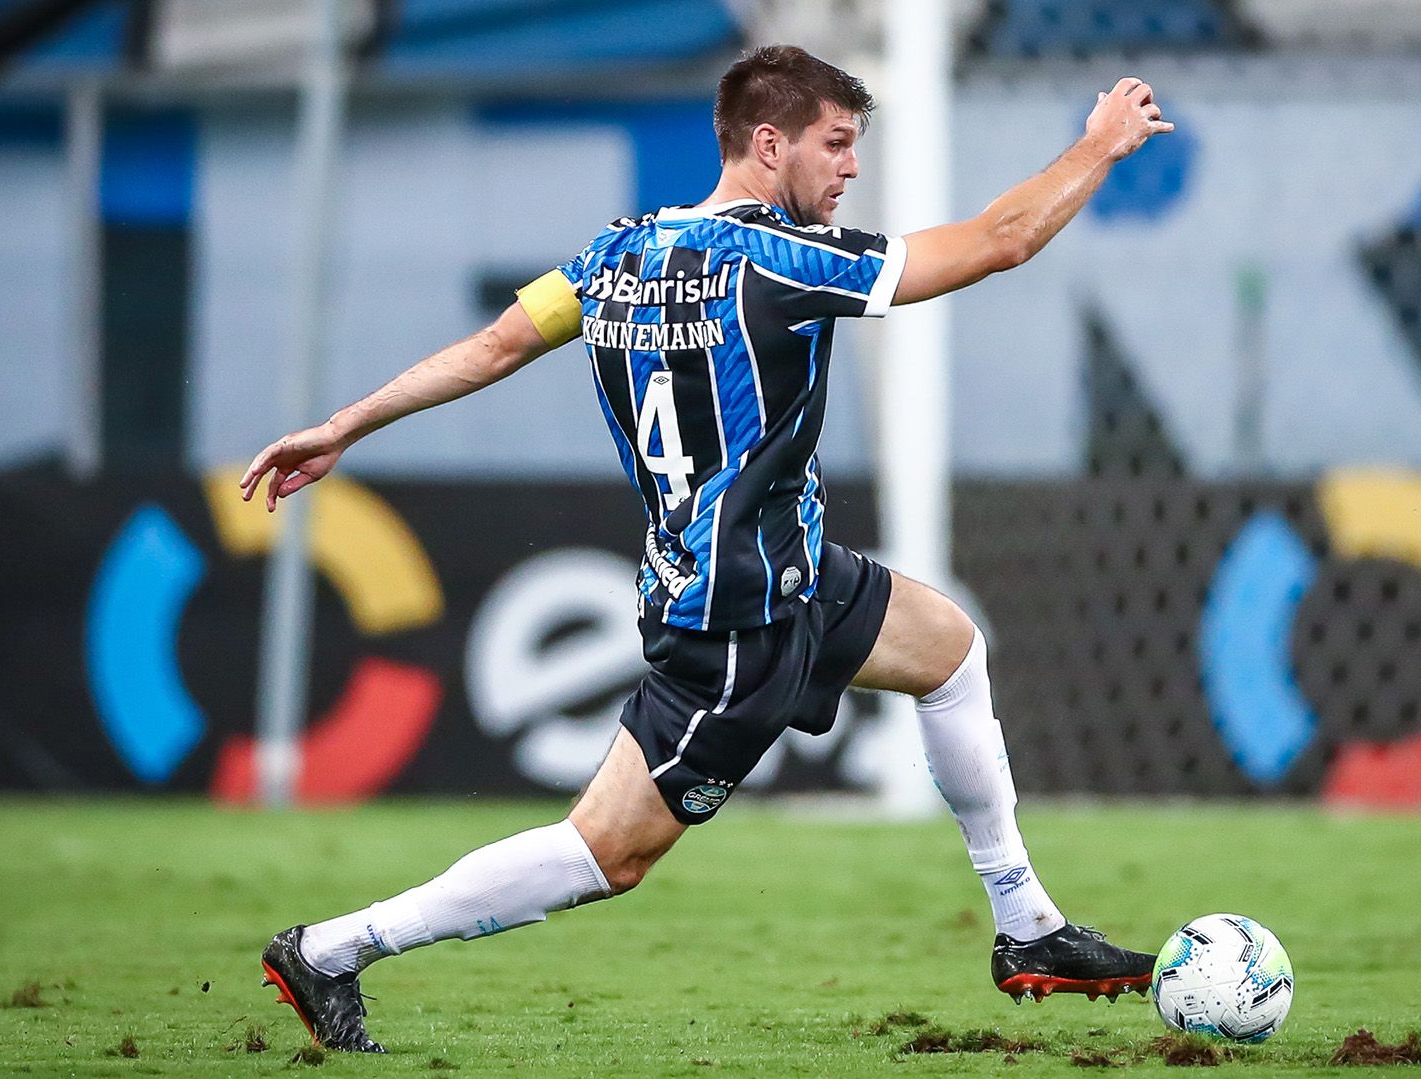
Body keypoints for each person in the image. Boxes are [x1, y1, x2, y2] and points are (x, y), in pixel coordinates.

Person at [241, 45, 1173, 1053]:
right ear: (769, 144)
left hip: (795, 573)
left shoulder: (616, 255)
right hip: (737, 620)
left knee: (947, 648)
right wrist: (1097, 147)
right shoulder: (782, 260)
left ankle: (1026, 920)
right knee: (607, 851)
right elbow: (1001, 240)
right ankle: (334, 946)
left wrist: (346, 423)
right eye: (837, 144)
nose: (851, 169)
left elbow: (496, 345)